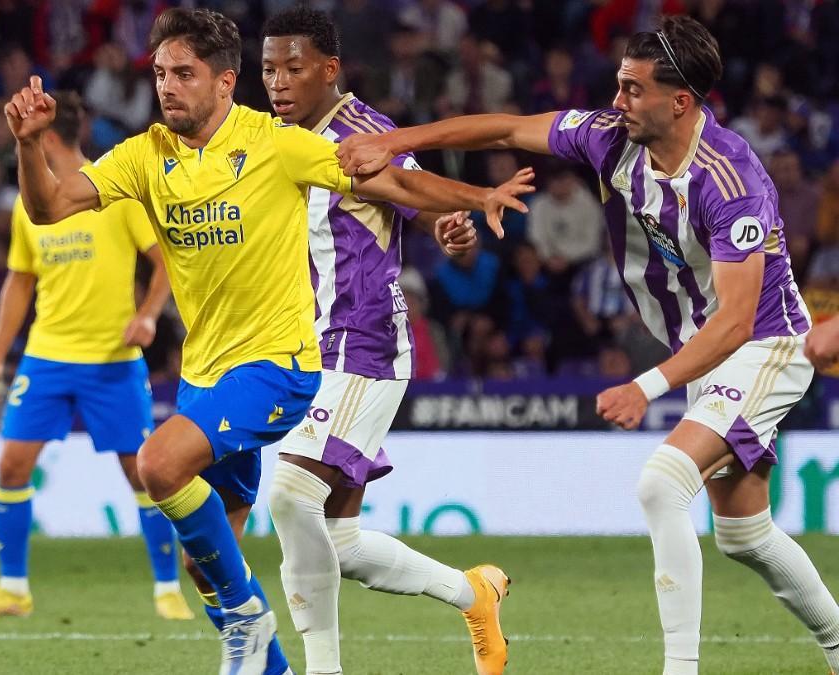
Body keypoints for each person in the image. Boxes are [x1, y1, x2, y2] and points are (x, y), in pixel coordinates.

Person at [3, 8, 532, 673]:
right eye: (160, 73)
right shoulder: (162, 152)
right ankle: (465, 592)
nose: (167, 86)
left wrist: (467, 203)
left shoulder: (312, 140)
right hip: (221, 364)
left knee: (230, 483)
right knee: (259, 551)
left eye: (184, 74)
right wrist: (28, 144)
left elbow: (399, 186)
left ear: (229, 82)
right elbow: (48, 207)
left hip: (331, 347)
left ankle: (294, 651)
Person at [337, 15, 839, 675]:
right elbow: (505, 127)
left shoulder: (731, 182)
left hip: (762, 344)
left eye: (633, 90)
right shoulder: (610, 138)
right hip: (706, 346)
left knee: (662, 484)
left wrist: (645, 385)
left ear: (680, 101)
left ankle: (680, 668)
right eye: (618, 85)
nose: (617, 101)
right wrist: (396, 139)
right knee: (743, 533)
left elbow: (739, 321)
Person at [259, 8, 509, 675]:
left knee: (287, 494)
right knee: (335, 541)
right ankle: (473, 591)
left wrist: (451, 225)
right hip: (301, 348)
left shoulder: (365, 135)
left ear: (329, 69)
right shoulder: (272, 137)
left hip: (360, 341)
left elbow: (416, 196)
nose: (278, 82)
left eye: (292, 67)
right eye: (268, 68)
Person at [0, 91, 193, 623]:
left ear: (51, 137)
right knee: (12, 466)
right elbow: (20, 283)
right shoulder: (27, 203)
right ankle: (12, 590)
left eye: (32, 135)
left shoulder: (114, 196)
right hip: (46, 359)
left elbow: (165, 262)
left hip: (112, 360)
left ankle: (166, 589)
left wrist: (150, 315)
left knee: (144, 474)